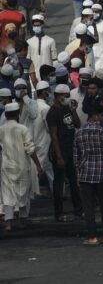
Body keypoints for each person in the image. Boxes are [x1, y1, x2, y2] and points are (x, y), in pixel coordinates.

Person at [73, 104, 103, 244]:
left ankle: (92, 237)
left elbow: (76, 157)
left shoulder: (79, 132)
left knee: (88, 206)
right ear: (96, 116)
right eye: (102, 115)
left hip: (85, 173)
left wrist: (77, 175)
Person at [0, 101, 43, 231]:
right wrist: (38, 165)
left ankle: (8, 222)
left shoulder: (1, 129)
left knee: (7, 193)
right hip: (22, 165)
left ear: (6, 115)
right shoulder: (23, 129)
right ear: (18, 114)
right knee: (23, 192)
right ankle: (23, 219)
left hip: (7, 166)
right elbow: (30, 149)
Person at [47, 84, 82, 221]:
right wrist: (59, 156)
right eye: (65, 96)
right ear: (57, 96)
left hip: (70, 148)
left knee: (74, 181)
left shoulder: (67, 108)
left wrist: (74, 110)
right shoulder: (52, 113)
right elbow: (53, 135)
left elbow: (77, 124)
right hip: (60, 150)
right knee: (59, 182)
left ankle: (78, 210)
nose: (67, 98)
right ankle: (58, 213)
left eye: (68, 96)